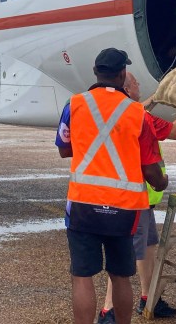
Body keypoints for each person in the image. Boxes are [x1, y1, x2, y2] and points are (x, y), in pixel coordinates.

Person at [56, 48, 168, 324]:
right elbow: (152, 171)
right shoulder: (138, 114)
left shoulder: (75, 105)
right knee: (120, 276)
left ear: (95, 72)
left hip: (83, 204)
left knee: (82, 276)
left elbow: (64, 149)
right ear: (122, 75)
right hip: (123, 208)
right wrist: (163, 181)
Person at [98, 73, 176, 323]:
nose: (139, 86)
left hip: (135, 196)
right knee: (124, 256)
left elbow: (139, 107)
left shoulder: (119, 112)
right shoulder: (140, 117)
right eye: (135, 83)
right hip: (131, 198)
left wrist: (155, 98)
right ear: (126, 87)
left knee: (147, 248)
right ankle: (108, 311)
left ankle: (150, 299)